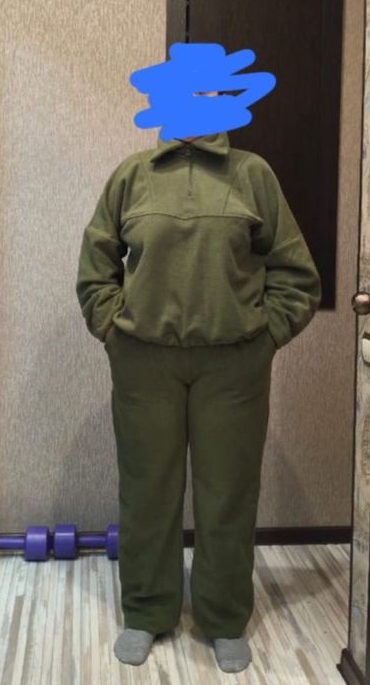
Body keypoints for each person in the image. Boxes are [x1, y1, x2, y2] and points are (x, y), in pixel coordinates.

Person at [75, 95, 322, 673]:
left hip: (232, 368)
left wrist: (264, 337)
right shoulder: (132, 175)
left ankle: (224, 617)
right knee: (147, 491)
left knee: (227, 494)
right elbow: (96, 266)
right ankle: (146, 611)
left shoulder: (253, 175)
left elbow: (297, 276)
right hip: (145, 365)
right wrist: (113, 329)